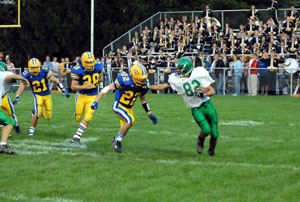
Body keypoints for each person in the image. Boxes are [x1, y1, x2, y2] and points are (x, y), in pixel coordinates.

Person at [149, 57, 219, 156]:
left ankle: (211, 151)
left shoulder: (198, 74)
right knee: (206, 130)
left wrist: (203, 94)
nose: (177, 70)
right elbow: (164, 86)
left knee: (215, 133)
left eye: (180, 68)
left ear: (186, 68)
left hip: (207, 104)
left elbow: (212, 91)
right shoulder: (176, 79)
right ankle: (200, 139)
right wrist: (149, 87)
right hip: (196, 108)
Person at [91, 63, 157, 153]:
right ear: (134, 76)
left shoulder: (144, 84)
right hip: (119, 105)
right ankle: (117, 142)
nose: (142, 81)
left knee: (126, 127)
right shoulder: (124, 79)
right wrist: (96, 101)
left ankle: (116, 140)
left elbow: (143, 98)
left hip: (129, 108)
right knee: (130, 120)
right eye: (140, 79)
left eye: (143, 79)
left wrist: (149, 113)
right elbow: (107, 88)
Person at [13, 58, 70, 136]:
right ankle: (31, 131)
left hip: (47, 94)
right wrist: (17, 96)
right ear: (29, 67)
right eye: (33, 67)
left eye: (36, 67)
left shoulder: (44, 70)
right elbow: (22, 86)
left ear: (39, 66)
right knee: (37, 113)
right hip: (37, 95)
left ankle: (36, 111)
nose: (35, 69)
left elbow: (55, 80)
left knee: (48, 117)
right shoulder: (26, 74)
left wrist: (63, 90)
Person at [70, 52, 104, 143]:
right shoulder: (77, 70)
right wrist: (85, 86)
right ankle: (76, 115)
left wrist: (101, 88)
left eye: (91, 62)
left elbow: (100, 78)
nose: (90, 64)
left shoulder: (98, 66)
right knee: (78, 118)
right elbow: (73, 87)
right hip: (81, 95)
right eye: (87, 62)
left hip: (92, 96)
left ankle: (77, 136)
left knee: (88, 117)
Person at [0, 71, 29, 154]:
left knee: (9, 121)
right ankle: (2, 145)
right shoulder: (6, 77)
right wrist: (23, 78)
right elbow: (10, 77)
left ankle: (3, 145)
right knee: (10, 121)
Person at [0, 61, 21, 134]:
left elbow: (8, 78)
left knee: (11, 113)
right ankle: (5, 131)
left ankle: (17, 127)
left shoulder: (3, 66)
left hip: (4, 96)